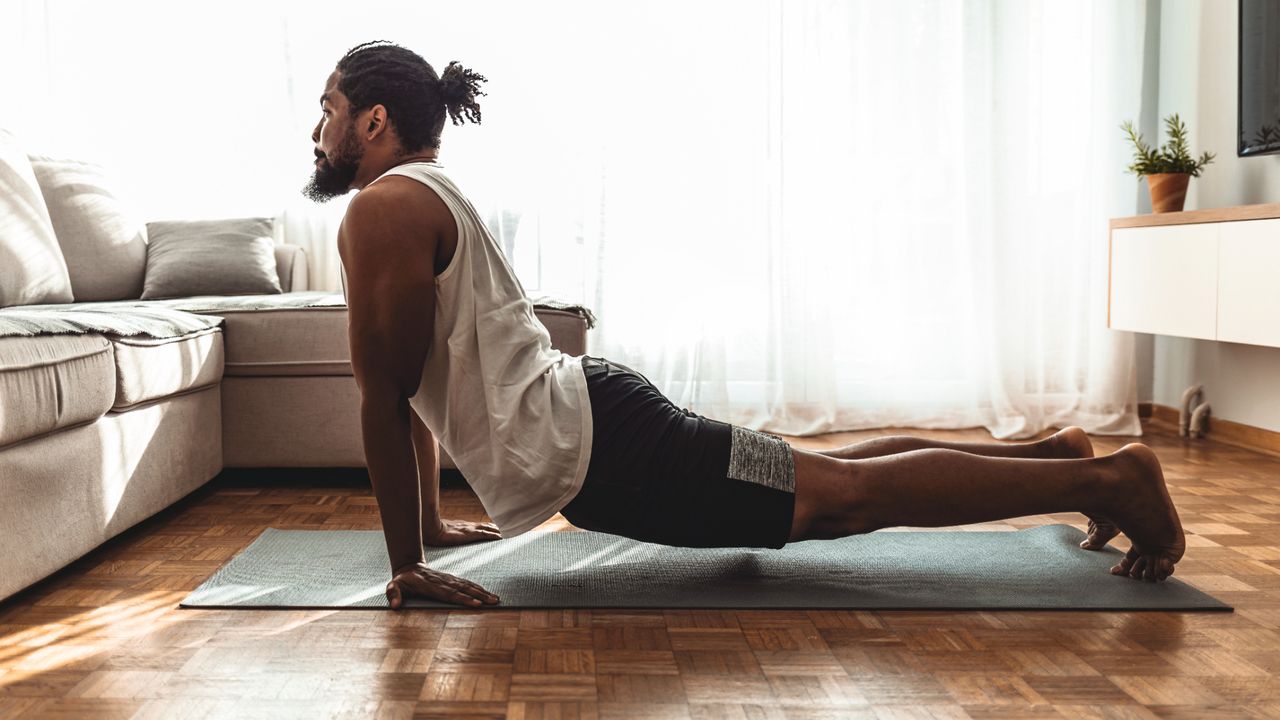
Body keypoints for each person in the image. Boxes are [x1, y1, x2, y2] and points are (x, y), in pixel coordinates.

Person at [304, 41, 1185, 610]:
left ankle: (1112, 482)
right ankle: (1060, 459)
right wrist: (424, 531)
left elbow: (382, 399)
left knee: (841, 503)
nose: (319, 131)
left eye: (330, 110)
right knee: (832, 478)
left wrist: (404, 566)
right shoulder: (419, 193)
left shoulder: (381, 210)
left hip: (609, 447)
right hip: (601, 429)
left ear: (373, 121)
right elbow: (411, 389)